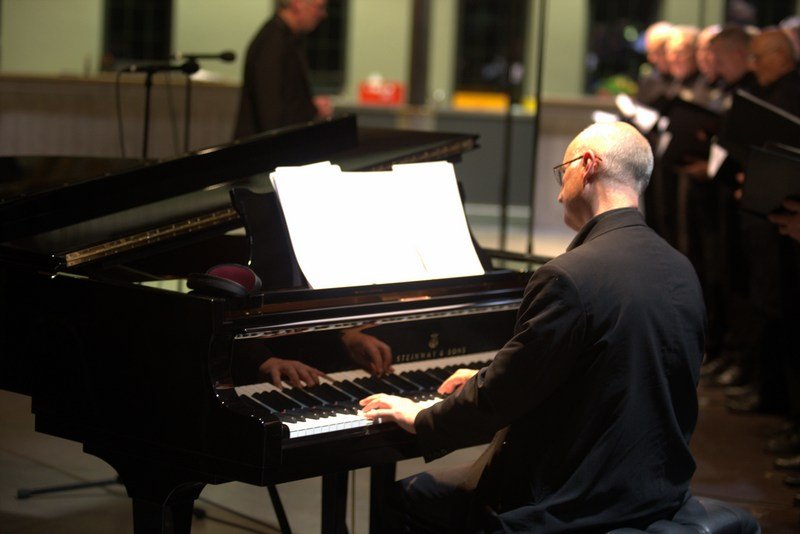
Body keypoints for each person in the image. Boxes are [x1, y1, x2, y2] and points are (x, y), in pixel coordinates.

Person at [360, 122, 707, 532]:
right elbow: (618, 374)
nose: (559, 193)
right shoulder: (680, 269)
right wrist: (496, 375)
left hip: (571, 503)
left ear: (588, 165)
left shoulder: (569, 276)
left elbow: (501, 397)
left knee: (404, 499)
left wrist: (423, 417)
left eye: (563, 173)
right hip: (656, 493)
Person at [233, 0, 333, 139]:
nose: (324, 14)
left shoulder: (287, 39)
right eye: (319, 7)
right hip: (264, 146)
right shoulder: (273, 42)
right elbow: (270, 111)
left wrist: (311, 106)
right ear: (297, 3)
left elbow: (288, 99)